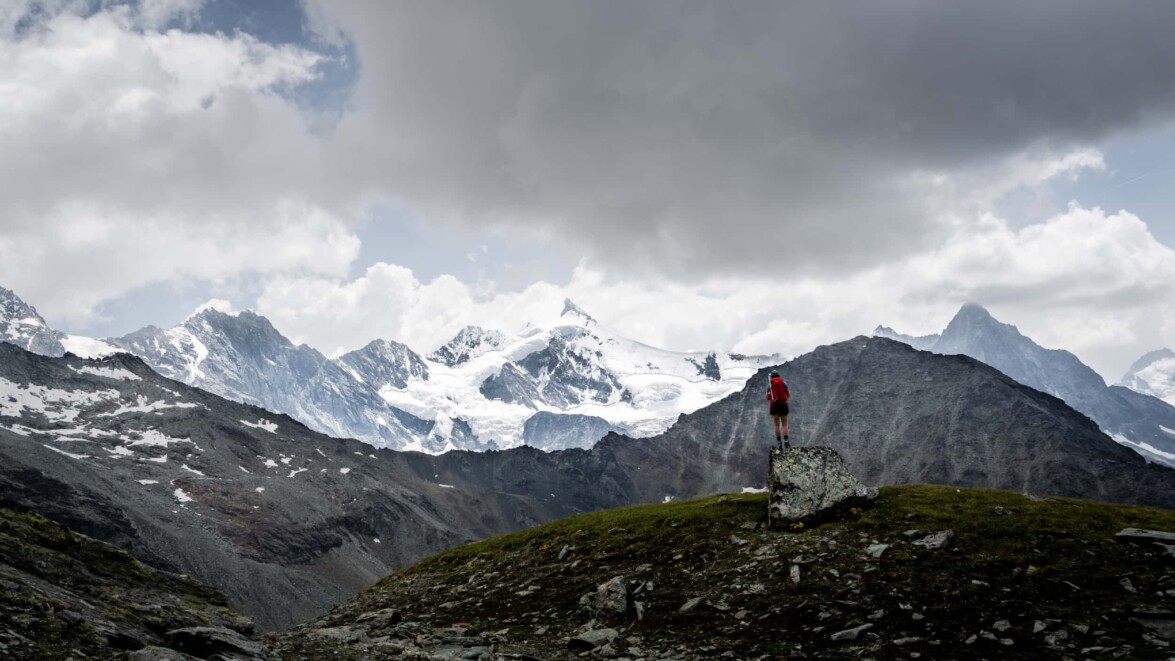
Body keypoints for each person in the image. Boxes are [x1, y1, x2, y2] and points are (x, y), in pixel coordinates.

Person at [766, 370, 790, 448]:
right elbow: (788, 394)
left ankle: (779, 443)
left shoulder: (770, 385)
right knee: (785, 424)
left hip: (774, 406)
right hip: (783, 405)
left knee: (776, 425)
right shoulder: (783, 383)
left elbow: (767, 397)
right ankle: (786, 442)